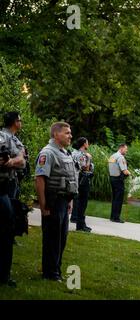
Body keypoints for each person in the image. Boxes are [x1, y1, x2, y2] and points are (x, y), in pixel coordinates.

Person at [35, 122, 78, 281]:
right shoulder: (48, 153)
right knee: (52, 240)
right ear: (56, 135)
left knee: (61, 239)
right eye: (67, 133)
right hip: (52, 202)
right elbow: (40, 180)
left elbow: (68, 177)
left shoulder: (64, 152)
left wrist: (69, 200)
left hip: (63, 201)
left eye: (70, 133)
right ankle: (50, 273)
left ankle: (56, 270)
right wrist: (43, 205)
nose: (70, 136)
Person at [0, 112, 26, 287]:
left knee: (9, 229)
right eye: (20, 119)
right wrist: (11, 161)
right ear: (15, 122)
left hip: (10, 186)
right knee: (5, 230)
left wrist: (14, 161)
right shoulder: (2, 136)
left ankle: (4, 275)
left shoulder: (14, 139)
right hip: (2, 186)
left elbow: (22, 161)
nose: (21, 122)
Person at [71, 137, 94, 232]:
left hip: (75, 179)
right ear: (84, 144)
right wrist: (89, 159)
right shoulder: (82, 155)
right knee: (83, 202)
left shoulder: (73, 153)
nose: (88, 144)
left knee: (77, 200)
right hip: (82, 179)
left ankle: (75, 218)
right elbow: (85, 168)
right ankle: (80, 225)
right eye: (87, 143)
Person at [108, 144, 130, 223]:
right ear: (121, 148)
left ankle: (112, 216)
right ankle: (116, 218)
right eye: (126, 149)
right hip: (118, 179)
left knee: (114, 198)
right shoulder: (120, 157)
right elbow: (124, 170)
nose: (126, 151)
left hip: (112, 178)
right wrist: (130, 174)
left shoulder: (112, 156)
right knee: (119, 199)